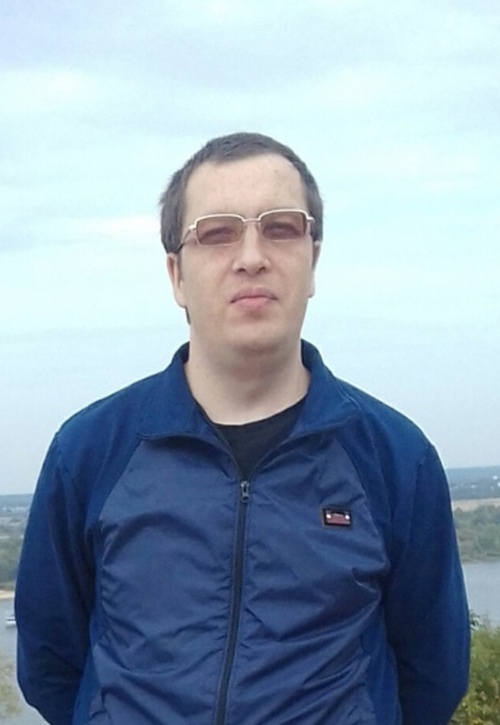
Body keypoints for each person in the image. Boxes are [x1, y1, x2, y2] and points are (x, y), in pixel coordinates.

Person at [15, 132, 469, 725]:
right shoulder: (89, 451)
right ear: (177, 275)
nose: (252, 256)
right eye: (217, 233)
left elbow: (433, 675)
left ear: (313, 261)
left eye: (281, 227)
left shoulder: (395, 457)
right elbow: (50, 664)